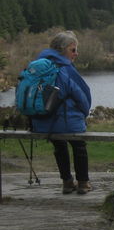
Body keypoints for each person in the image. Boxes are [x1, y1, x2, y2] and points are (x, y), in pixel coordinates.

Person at [31, 31, 93, 194]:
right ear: (62, 50)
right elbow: (82, 95)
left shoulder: (38, 65)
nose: (76, 54)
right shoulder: (65, 68)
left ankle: (66, 182)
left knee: (59, 145)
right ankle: (83, 183)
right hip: (67, 122)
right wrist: (85, 113)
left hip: (42, 122)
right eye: (73, 50)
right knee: (79, 145)